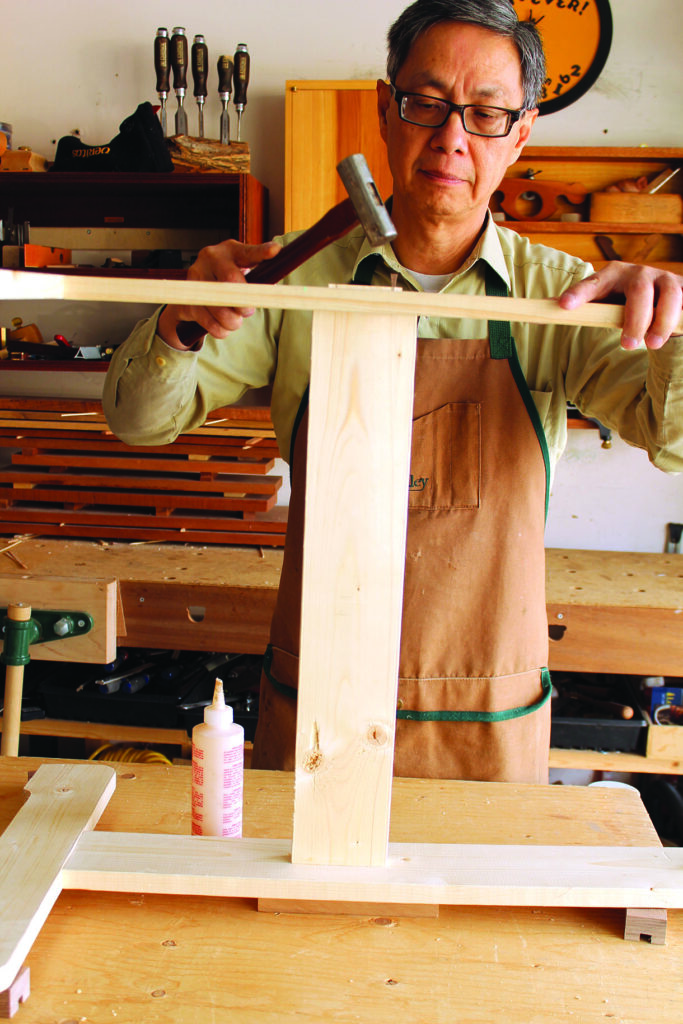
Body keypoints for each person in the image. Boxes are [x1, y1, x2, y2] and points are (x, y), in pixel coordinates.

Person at [103, 0, 683, 783]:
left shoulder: (561, 300)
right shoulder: (290, 280)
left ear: (520, 134)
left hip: (489, 715)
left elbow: (670, 440)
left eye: (483, 114)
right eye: (426, 103)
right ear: (386, 107)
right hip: (320, 711)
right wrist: (179, 321)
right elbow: (138, 423)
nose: (450, 138)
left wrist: (672, 331)